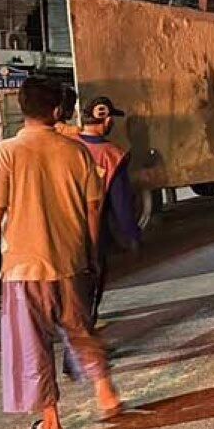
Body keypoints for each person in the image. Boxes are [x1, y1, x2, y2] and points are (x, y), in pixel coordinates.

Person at [0, 75, 121, 429]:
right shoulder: (77, 151)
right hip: (72, 260)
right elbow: (93, 209)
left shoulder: (6, 153)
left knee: (32, 344)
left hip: (24, 266)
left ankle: (51, 423)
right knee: (80, 330)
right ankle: (106, 392)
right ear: (55, 111)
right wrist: (91, 253)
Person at [74, 96, 140, 324]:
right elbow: (121, 201)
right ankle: (86, 325)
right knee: (93, 273)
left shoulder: (68, 145)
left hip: (63, 222)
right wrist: (132, 235)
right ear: (108, 119)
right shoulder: (113, 154)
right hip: (95, 226)